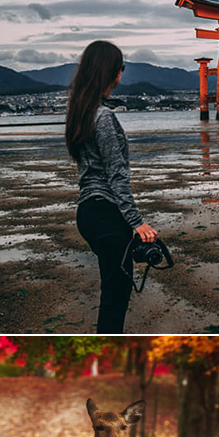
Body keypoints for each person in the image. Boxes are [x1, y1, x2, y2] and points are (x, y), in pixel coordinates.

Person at [65, 40, 157, 333]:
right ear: (113, 72)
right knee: (115, 302)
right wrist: (137, 222)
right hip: (105, 212)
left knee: (112, 296)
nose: (123, 72)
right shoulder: (104, 117)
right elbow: (116, 176)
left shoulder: (82, 111)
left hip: (88, 211)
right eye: (121, 66)